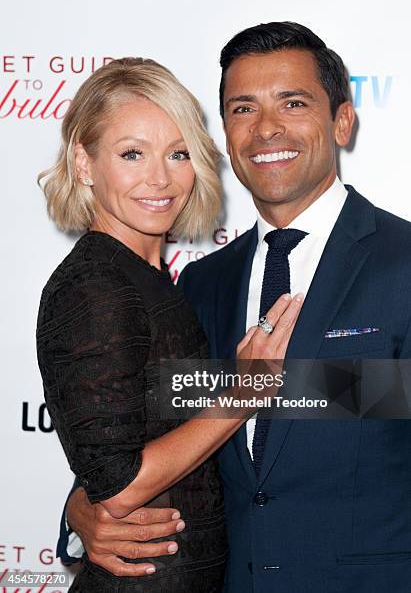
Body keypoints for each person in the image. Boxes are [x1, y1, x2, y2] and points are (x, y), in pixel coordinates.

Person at [57, 23, 411, 593]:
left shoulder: (405, 263)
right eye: (243, 108)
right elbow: (150, 435)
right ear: (224, 132)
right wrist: (83, 508)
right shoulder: (199, 284)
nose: (267, 127)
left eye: (292, 103)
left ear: (342, 120)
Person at [36, 56, 303, 592]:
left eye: (178, 153)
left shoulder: (176, 282)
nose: (160, 177)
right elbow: (118, 474)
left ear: (339, 119)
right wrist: (245, 390)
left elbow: (145, 420)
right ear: (84, 164)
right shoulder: (102, 284)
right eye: (132, 153)